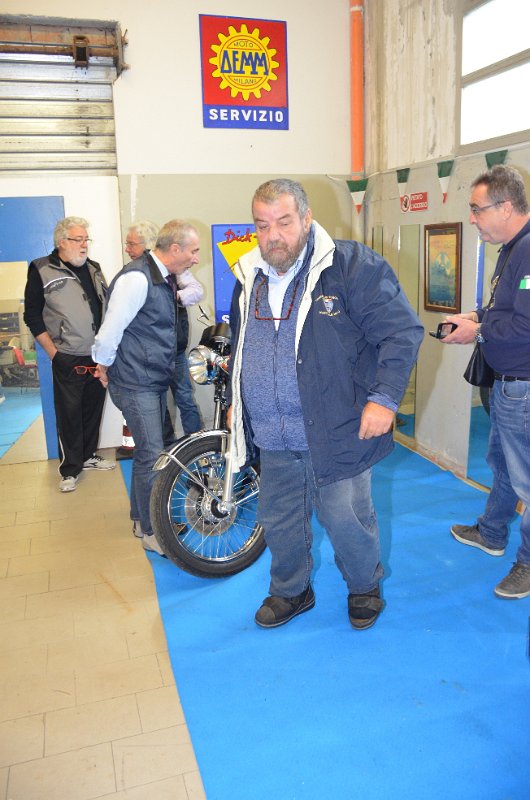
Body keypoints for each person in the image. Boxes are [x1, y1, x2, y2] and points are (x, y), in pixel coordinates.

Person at [228, 178, 423, 629]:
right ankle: (291, 591)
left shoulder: (352, 267)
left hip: (337, 428)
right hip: (273, 431)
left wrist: (384, 399)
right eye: (262, 225)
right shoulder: (249, 275)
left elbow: (401, 332)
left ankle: (364, 586)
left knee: (345, 517)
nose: (273, 235)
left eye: (284, 222)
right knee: (279, 519)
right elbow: (244, 347)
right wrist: (240, 401)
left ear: (306, 218)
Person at [443, 164, 530, 600]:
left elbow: (527, 326)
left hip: (524, 387)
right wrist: (477, 317)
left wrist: (478, 331)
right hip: (507, 385)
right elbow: (509, 310)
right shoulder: (513, 249)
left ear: (506, 207)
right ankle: (492, 531)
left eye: (477, 209)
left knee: (526, 478)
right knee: (502, 463)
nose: (473, 218)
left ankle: (528, 563)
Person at [93, 220, 201, 555]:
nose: (196, 258)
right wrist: (102, 364)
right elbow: (110, 329)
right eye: (193, 251)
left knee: (149, 452)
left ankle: (143, 520)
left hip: (150, 378)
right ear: (174, 249)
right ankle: (155, 532)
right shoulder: (138, 278)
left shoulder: (162, 277)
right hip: (135, 381)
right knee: (153, 454)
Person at [23, 216, 115, 492]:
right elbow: (32, 316)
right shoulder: (42, 269)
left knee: (93, 409)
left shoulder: (94, 268)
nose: (84, 245)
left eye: (86, 239)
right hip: (67, 356)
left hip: (97, 355)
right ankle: (70, 469)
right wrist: (54, 354)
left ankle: (87, 456)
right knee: (69, 413)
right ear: (62, 242)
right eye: (78, 239)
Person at [124, 221, 204, 444]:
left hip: (175, 352)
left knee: (185, 398)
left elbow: (197, 290)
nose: (127, 249)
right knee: (157, 402)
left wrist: (175, 297)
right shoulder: (134, 275)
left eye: (131, 244)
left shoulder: (173, 271)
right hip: (149, 356)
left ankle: (197, 444)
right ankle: (167, 446)